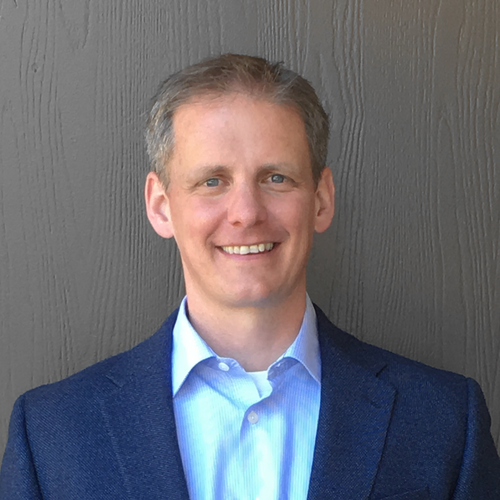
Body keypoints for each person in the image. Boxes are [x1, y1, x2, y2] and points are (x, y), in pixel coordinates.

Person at [1, 54, 499, 500]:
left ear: (322, 199)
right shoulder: (52, 435)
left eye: (276, 177)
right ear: (160, 206)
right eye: (212, 181)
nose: (246, 212)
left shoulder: (444, 422)